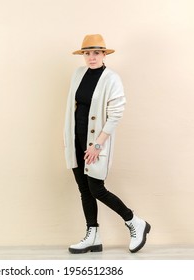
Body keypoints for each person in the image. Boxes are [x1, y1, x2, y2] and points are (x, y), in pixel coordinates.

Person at [64, 34, 151, 254]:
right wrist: (70, 137)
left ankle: (134, 221)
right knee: (84, 189)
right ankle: (92, 235)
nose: (91, 57)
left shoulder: (112, 78)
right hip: (76, 138)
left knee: (96, 188)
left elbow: (115, 115)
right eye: (87, 53)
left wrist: (98, 145)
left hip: (95, 142)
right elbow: (74, 108)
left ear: (104, 54)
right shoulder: (78, 74)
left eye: (96, 53)